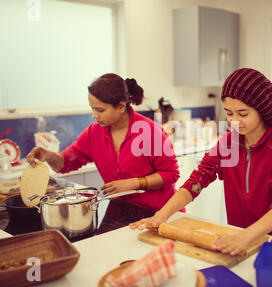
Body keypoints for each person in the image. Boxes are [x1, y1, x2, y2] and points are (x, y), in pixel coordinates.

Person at [130, 68, 272, 255]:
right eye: (229, 113)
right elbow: (196, 181)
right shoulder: (228, 143)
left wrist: (245, 237)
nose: (234, 121)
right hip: (241, 242)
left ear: (263, 110)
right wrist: (161, 216)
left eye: (243, 113)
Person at [27, 73, 179, 233]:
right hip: (119, 210)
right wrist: (49, 156)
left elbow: (171, 174)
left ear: (121, 107)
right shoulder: (94, 133)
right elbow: (65, 163)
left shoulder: (150, 132)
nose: (94, 115)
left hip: (158, 212)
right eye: (92, 109)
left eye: (100, 110)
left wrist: (134, 183)